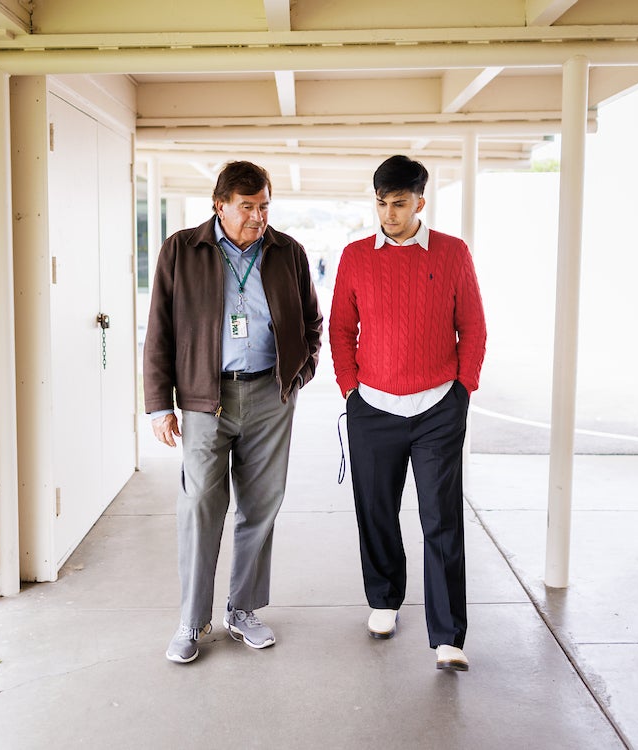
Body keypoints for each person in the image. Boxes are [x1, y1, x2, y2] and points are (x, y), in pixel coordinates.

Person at [144, 160, 322, 664]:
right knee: (201, 504)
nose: (258, 217)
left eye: (265, 206)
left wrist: (300, 374)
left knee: (261, 506)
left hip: (270, 395)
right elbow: (159, 330)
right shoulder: (182, 250)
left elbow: (312, 322)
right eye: (248, 207)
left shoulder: (289, 252)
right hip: (205, 397)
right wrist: (160, 405)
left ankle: (242, 608)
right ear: (220, 205)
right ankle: (191, 620)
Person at [329, 155, 486, 671]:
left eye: (399, 203)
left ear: (421, 201)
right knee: (376, 510)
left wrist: (463, 390)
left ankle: (447, 636)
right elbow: (339, 330)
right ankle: (384, 600)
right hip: (372, 406)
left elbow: (474, 328)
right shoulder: (355, 256)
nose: (389, 213)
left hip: (439, 405)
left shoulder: (453, 252)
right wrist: (350, 389)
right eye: (381, 203)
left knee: (441, 520)